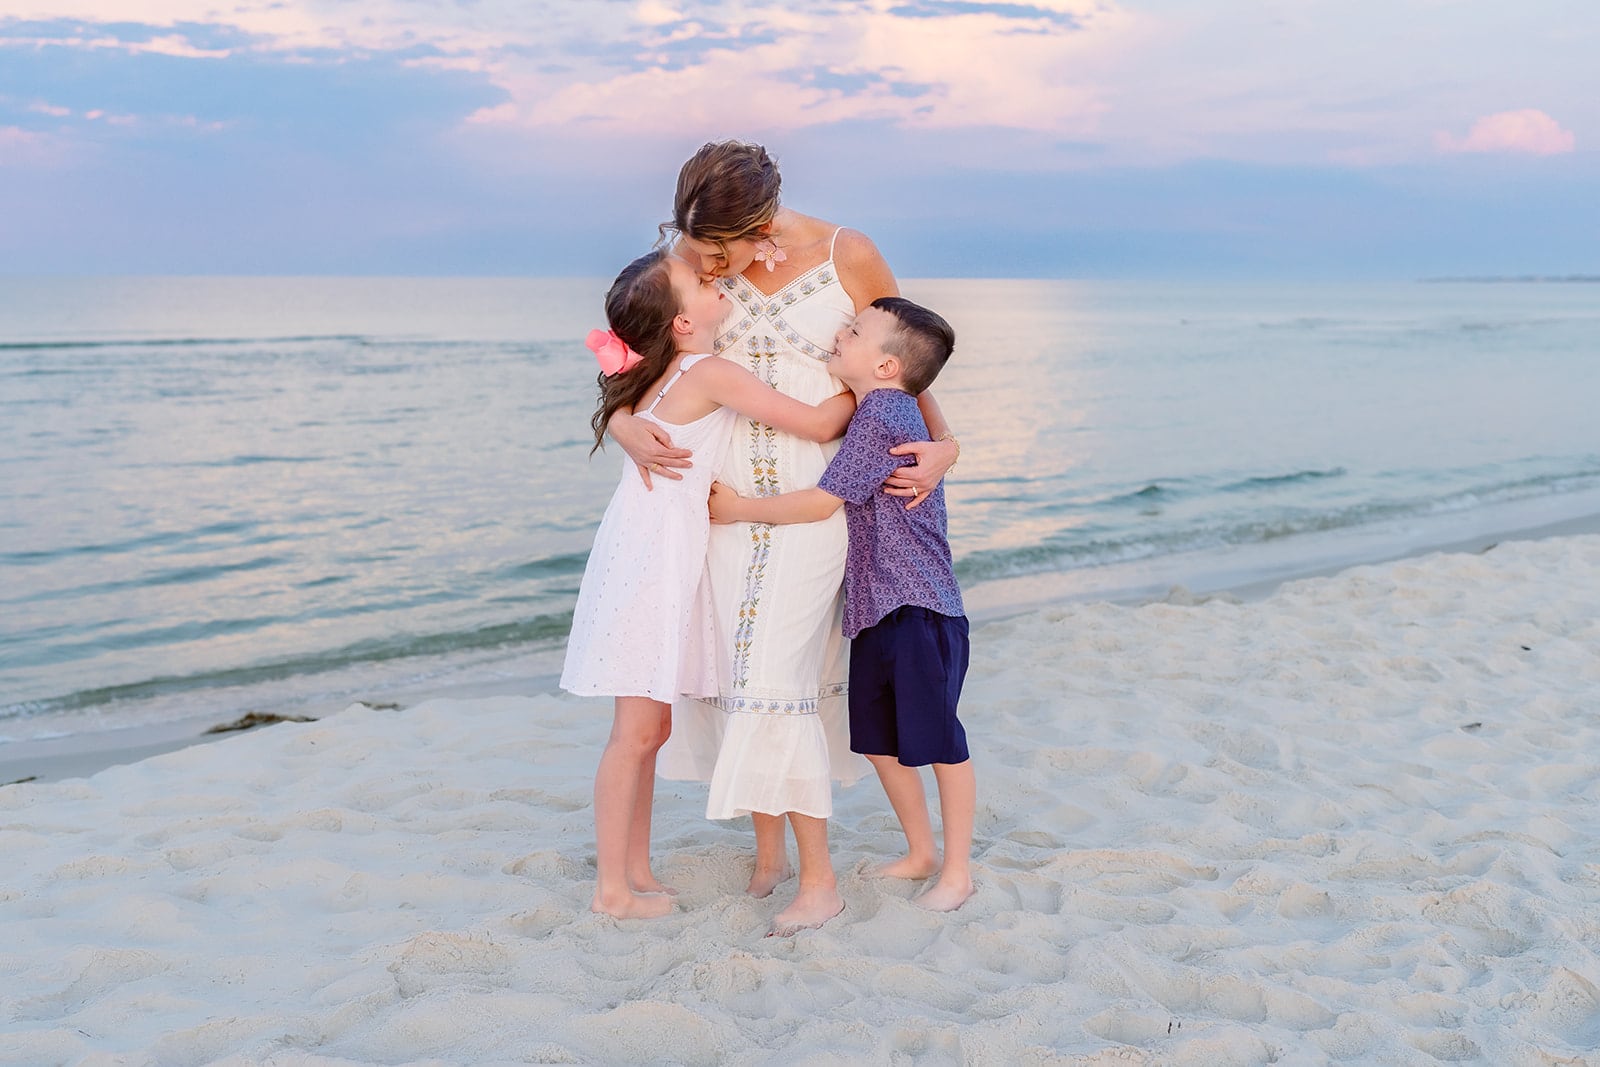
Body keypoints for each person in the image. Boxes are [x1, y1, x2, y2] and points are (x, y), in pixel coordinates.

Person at [606, 140, 961, 935]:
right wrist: (628, 426)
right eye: (696, 247)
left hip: (815, 504)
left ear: (759, 220)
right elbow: (636, 363)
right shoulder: (690, 261)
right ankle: (771, 856)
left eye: (716, 249)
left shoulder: (848, 253)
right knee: (740, 677)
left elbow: (907, 364)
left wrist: (947, 445)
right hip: (717, 504)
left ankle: (821, 880)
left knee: (777, 676)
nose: (705, 262)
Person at [560, 248, 855, 920]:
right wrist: (868, 386)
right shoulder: (710, 369)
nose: (716, 282)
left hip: (651, 552)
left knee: (652, 727)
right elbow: (812, 424)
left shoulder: (665, 369)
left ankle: (635, 868)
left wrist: (623, 417)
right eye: (700, 283)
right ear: (683, 324)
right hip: (652, 561)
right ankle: (612, 889)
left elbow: (623, 396)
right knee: (634, 730)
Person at [708, 297, 975, 912]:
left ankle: (956, 871)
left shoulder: (882, 412)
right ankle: (920, 853)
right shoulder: (882, 407)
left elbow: (823, 502)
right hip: (877, 608)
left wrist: (739, 509)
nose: (839, 333)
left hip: (919, 606)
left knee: (940, 744)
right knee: (879, 741)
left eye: (854, 331)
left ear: (885, 366)